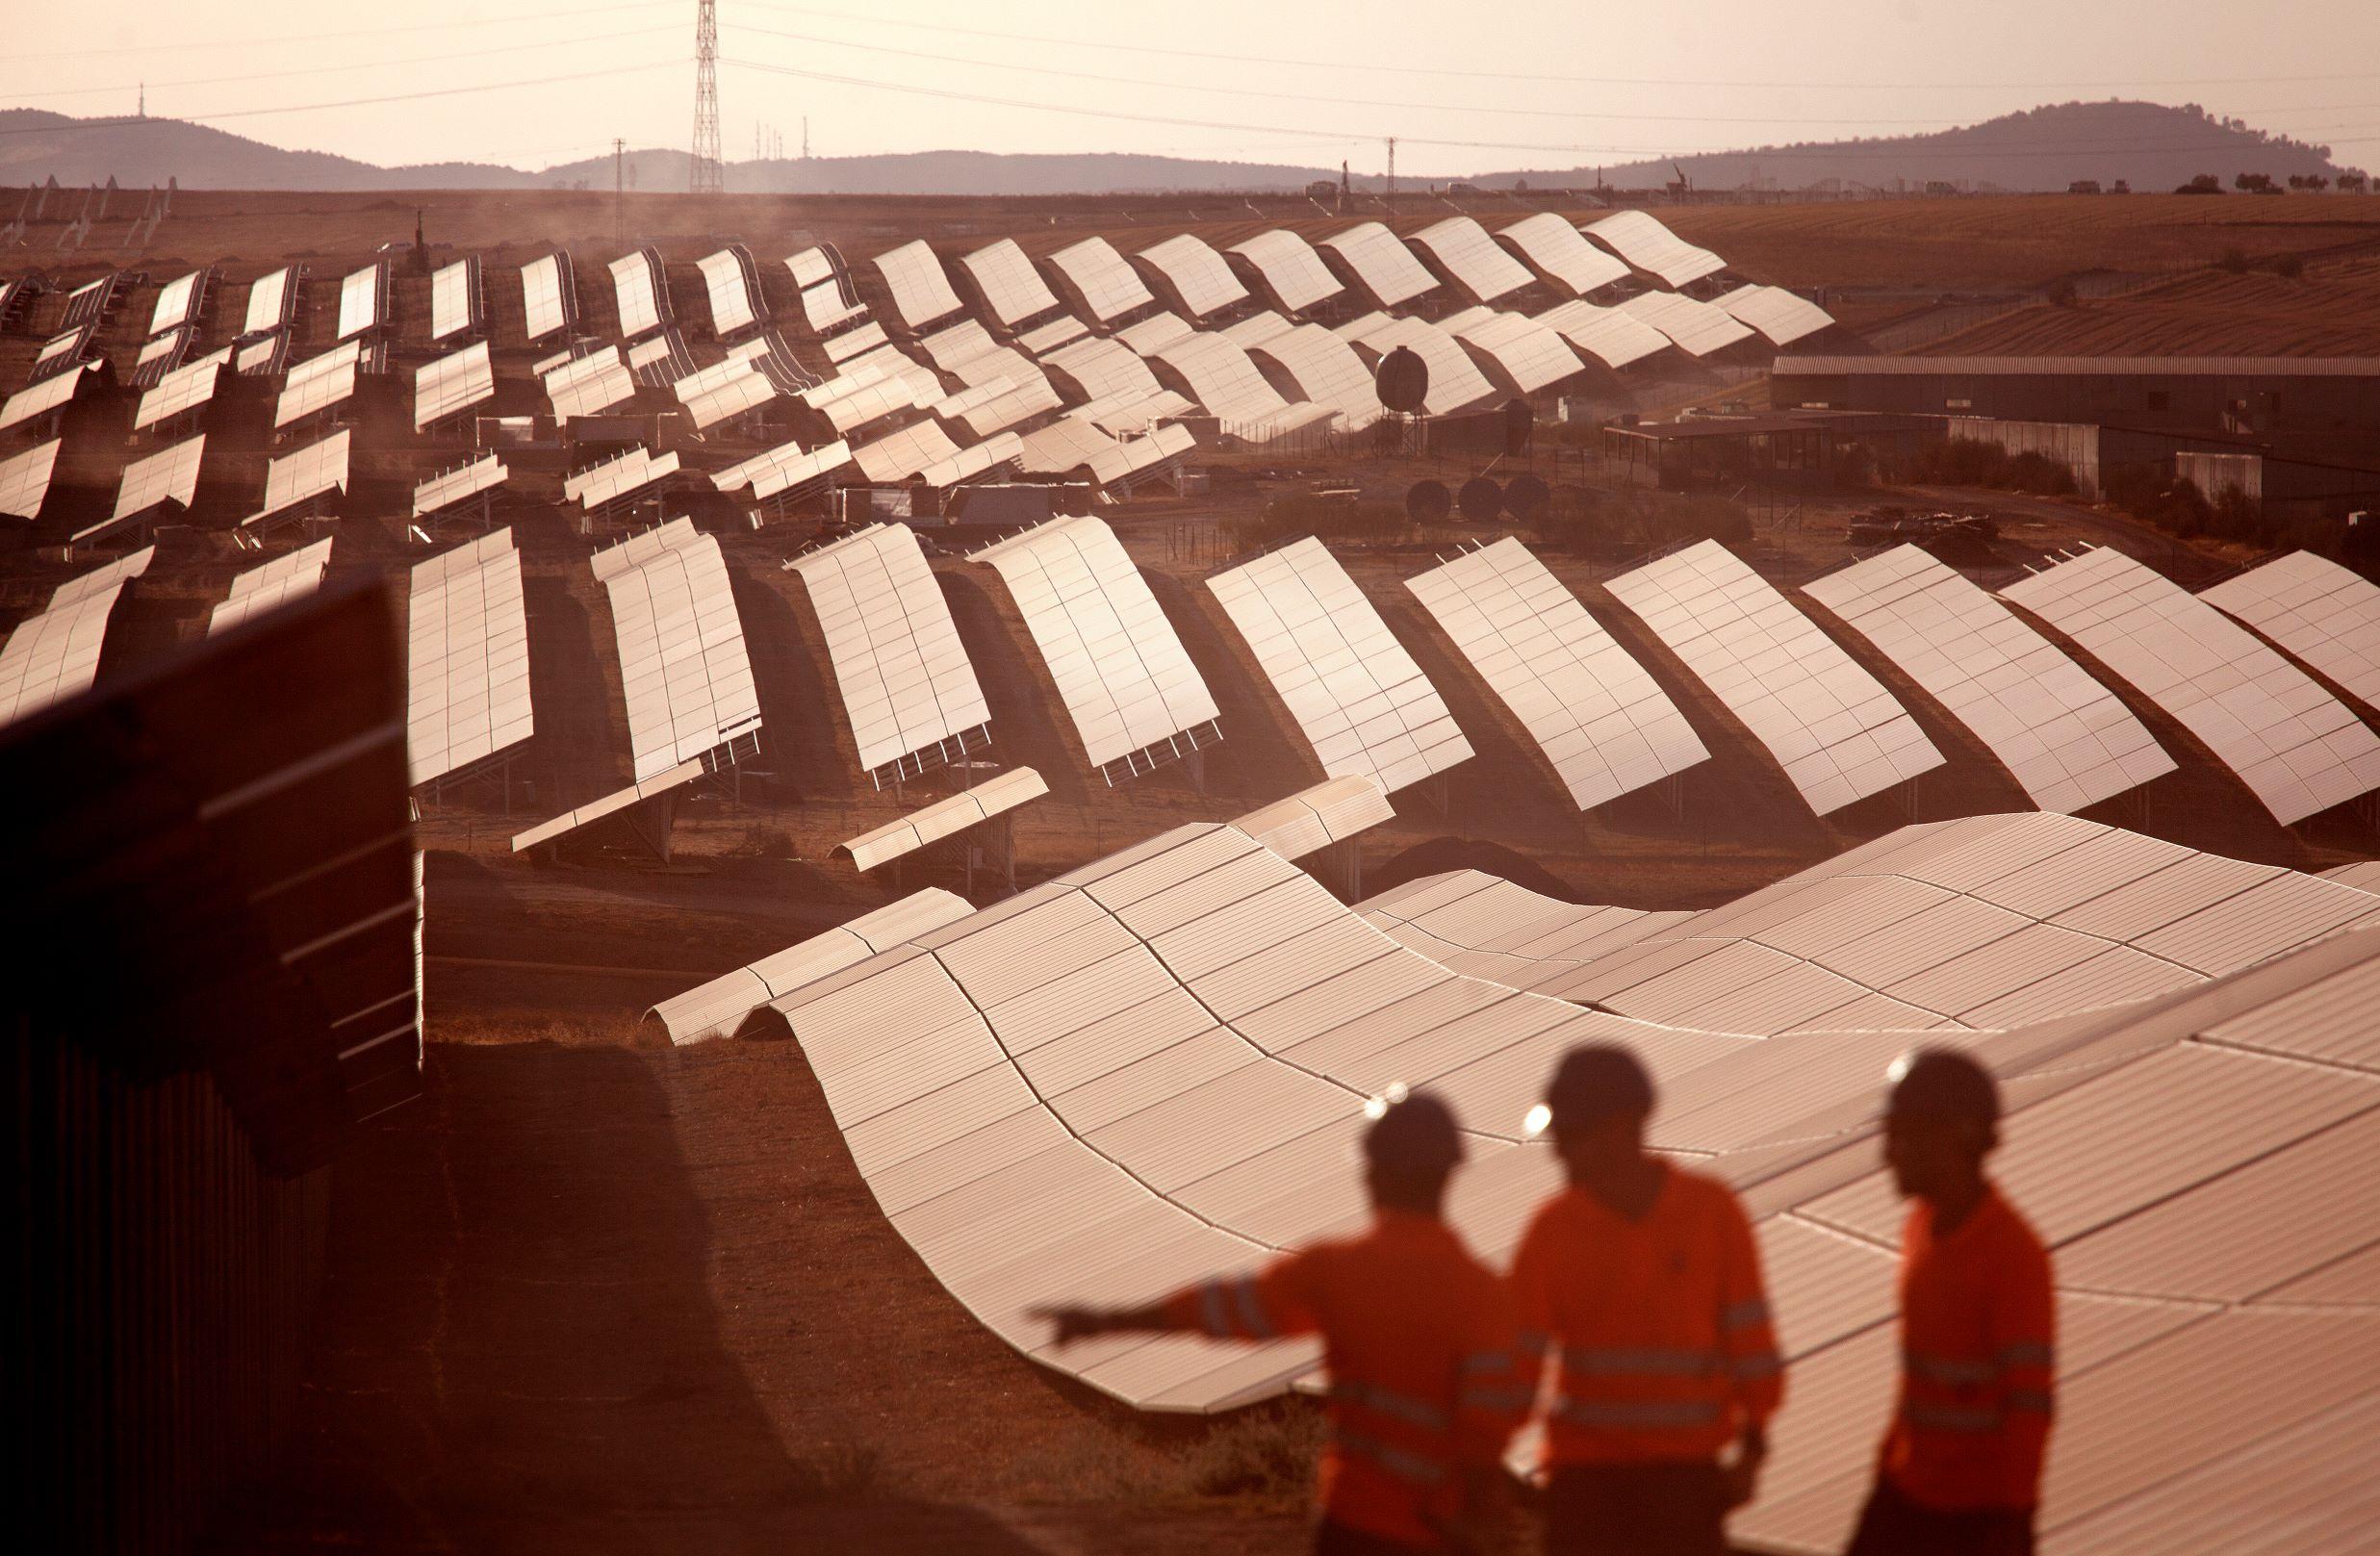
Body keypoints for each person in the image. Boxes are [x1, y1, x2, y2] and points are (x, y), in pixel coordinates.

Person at [1035, 1088, 1531, 1555]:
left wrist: (1107, 1321)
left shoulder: (1340, 1270)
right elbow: (1488, 1425)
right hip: (1435, 1530)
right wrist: (1486, 1518)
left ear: (1375, 1174)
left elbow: (1226, 1308)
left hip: (1352, 1522)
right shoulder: (1484, 1295)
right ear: (1448, 1175)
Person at [1507, 1044, 1781, 1556]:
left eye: (1571, 1135)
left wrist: (1752, 1451)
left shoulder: (1711, 1214)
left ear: (1624, 1126)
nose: (1558, 1151)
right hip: (1585, 1487)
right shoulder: (1554, 1229)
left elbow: (1753, 1346)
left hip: (1683, 1486)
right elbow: (1515, 1367)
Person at [1844, 1048, 2054, 1556]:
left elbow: (2028, 1405)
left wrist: (2012, 1518)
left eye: (1902, 1134)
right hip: (1907, 1498)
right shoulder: (1921, 1230)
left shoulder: (2011, 1256)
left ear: (1954, 1136)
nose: (1887, 1154)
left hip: (1973, 1523)